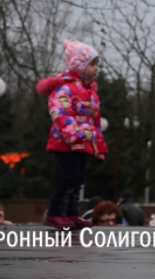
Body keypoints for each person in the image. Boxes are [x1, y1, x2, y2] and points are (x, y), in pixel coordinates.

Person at [36, 40, 108, 229]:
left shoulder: (90, 92)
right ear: (79, 65)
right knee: (70, 177)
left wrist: (99, 146)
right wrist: (74, 136)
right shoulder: (65, 88)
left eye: (96, 65)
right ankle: (55, 212)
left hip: (84, 143)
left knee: (79, 179)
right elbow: (60, 113)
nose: (96, 69)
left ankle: (71, 213)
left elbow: (95, 121)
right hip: (67, 143)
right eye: (92, 64)